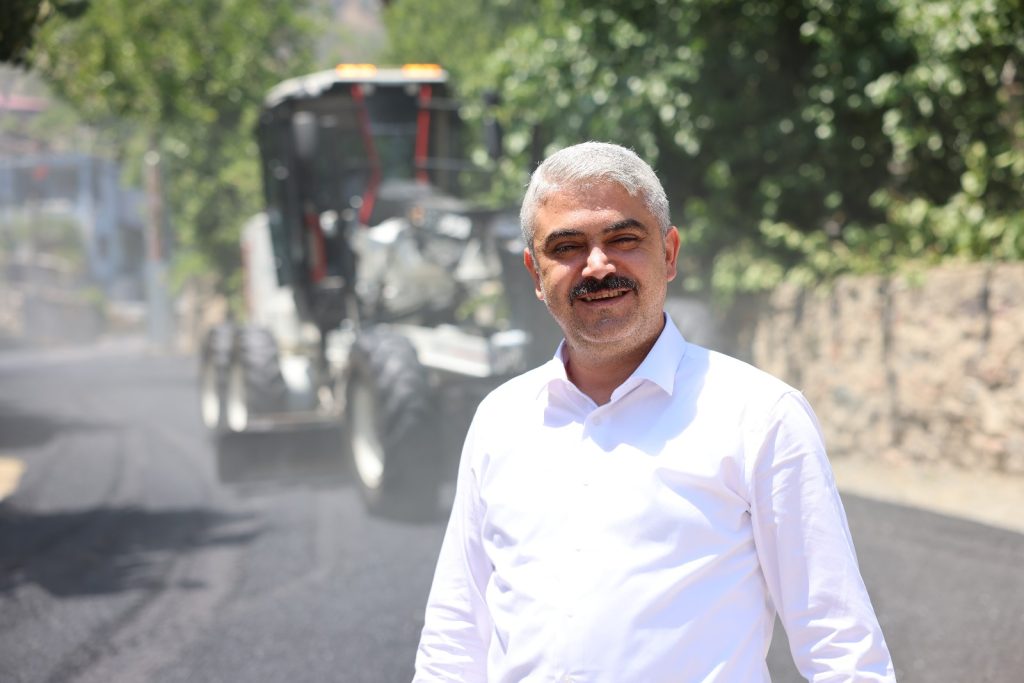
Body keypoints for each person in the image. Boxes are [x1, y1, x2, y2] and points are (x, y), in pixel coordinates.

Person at [413, 142, 895, 682]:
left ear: (669, 254)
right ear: (534, 272)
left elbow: (840, 646)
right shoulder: (500, 421)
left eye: (623, 239)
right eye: (567, 247)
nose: (597, 265)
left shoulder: (760, 416)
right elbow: (455, 637)